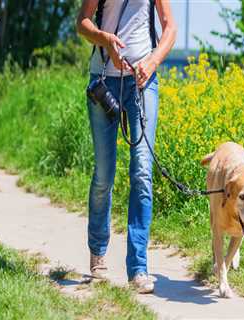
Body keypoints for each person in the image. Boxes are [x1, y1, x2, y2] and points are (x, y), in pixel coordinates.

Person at [76, 0, 177, 293]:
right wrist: (105, 41)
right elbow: (82, 21)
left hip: (142, 81)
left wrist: (153, 60)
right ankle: (98, 253)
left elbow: (170, 27)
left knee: (142, 171)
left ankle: (138, 268)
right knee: (104, 176)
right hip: (103, 80)